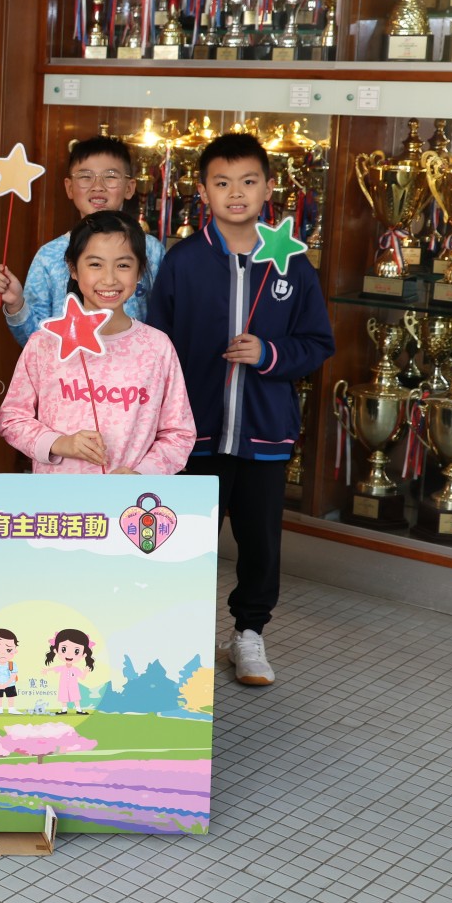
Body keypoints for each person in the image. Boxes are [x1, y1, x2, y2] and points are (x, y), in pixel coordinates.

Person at [147, 132, 334, 689]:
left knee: (260, 542)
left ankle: (248, 633)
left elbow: (317, 344)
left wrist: (268, 354)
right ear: (202, 190)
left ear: (269, 188)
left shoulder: (292, 264)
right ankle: (177, 634)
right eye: (222, 182)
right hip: (194, 433)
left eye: (248, 181)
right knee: (187, 540)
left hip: (264, 432)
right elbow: (156, 345)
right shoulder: (183, 261)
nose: (236, 193)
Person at [0, 212, 195, 476]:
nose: (109, 279)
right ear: (73, 268)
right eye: (95, 264)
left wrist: (143, 473)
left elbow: (179, 433)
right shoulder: (44, 344)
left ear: (140, 270)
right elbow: (12, 419)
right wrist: (59, 443)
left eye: (123, 265)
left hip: (129, 498)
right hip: (58, 497)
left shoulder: (157, 347)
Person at [0, 134, 165, 346]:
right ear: (69, 187)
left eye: (110, 176)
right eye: (85, 176)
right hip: (66, 365)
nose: (97, 186)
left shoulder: (152, 250)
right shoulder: (49, 255)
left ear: (130, 187)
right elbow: (34, 340)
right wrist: (16, 305)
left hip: (136, 363)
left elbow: (164, 319)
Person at [46, 629, 95, 716]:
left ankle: (79, 710)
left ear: (83, 654)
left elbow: (82, 677)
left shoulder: (76, 669)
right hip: (63, 686)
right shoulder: (62, 668)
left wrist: (86, 672)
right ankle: (64, 710)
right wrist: (47, 670)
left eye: (76, 651)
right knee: (63, 697)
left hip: (73, 686)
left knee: (75, 697)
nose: (69, 654)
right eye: (63, 649)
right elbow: (54, 668)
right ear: (56, 650)